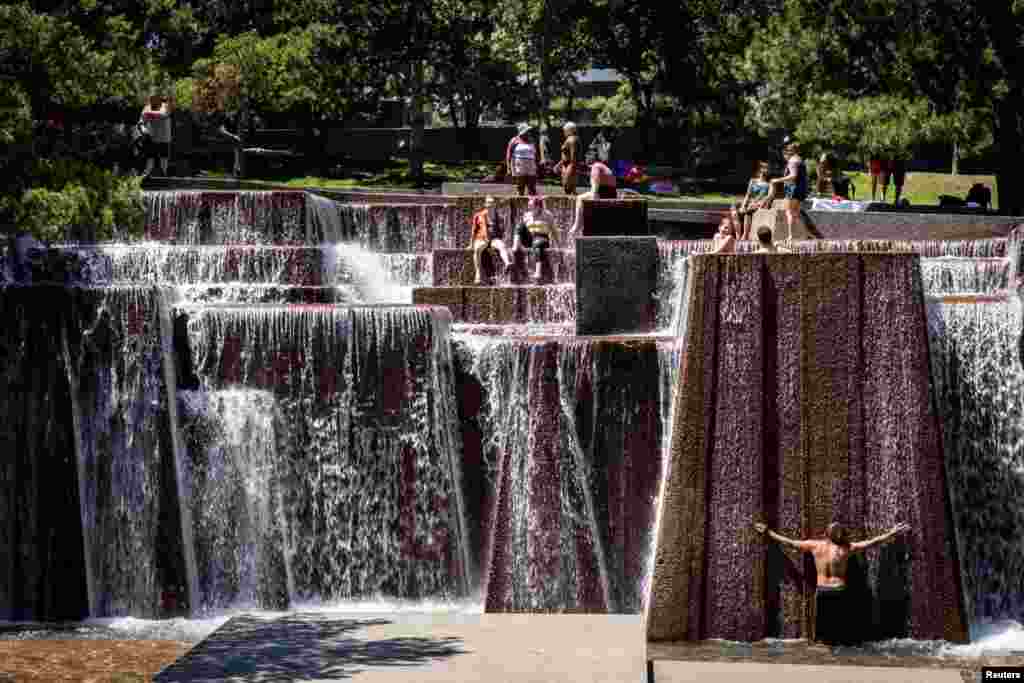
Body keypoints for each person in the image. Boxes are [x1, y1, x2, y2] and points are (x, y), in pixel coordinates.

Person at [753, 520, 911, 645]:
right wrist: (892, 533)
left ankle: (823, 650)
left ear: (826, 534)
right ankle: (836, 650)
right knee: (837, 628)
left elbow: (790, 542)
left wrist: (768, 532)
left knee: (823, 628)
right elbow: (872, 542)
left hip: (823, 591)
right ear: (838, 534)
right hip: (838, 590)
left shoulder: (816, 546)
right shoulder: (847, 548)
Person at [769, 138, 808, 242]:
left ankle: (791, 236)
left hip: (793, 189)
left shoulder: (792, 161)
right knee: (796, 213)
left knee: (789, 212)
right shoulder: (800, 160)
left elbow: (793, 175)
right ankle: (802, 234)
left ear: (790, 151)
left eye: (787, 151)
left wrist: (777, 180)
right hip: (802, 189)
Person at [468, 196, 513, 284]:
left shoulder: (498, 216)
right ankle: (478, 273)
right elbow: (474, 230)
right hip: (482, 238)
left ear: (494, 205)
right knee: (477, 249)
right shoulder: (478, 215)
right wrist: (471, 244)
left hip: (494, 239)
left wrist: (502, 239)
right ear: (485, 204)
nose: (490, 204)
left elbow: (502, 230)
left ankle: (507, 263)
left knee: (502, 246)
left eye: (492, 203)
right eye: (488, 202)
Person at [515, 196, 560, 281]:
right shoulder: (526, 215)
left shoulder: (547, 215)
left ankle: (538, 272)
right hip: (529, 238)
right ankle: (516, 246)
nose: (529, 207)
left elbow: (554, 230)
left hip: (542, 238)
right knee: (519, 226)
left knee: (538, 244)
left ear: (538, 206)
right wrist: (519, 243)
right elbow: (521, 230)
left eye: (531, 206)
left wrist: (558, 245)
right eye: (528, 205)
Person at [569, 161, 618, 234]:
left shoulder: (595, 167)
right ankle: (580, 225)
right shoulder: (602, 166)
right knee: (584, 197)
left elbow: (594, 191)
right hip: (610, 193)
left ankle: (577, 225)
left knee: (580, 198)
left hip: (605, 193)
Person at [139, 91, 174, 176]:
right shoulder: (147, 108)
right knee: (150, 158)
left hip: (164, 138)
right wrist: (143, 129)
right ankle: (146, 174)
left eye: (154, 99)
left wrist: (149, 114)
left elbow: (164, 114)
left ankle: (164, 175)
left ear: (159, 99)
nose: (152, 101)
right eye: (151, 99)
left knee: (164, 158)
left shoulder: (165, 106)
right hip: (152, 137)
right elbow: (141, 122)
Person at [739, 161, 774, 239]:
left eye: (767, 168)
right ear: (759, 169)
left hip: (762, 204)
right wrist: (743, 205)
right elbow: (748, 195)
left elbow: (770, 195)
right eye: (763, 168)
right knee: (743, 210)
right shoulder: (753, 181)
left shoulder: (769, 183)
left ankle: (745, 235)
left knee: (749, 211)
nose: (765, 170)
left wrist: (760, 202)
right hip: (752, 204)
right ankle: (744, 234)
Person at [506, 123, 539, 196]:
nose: (529, 132)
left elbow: (535, 154)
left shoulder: (532, 140)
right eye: (527, 131)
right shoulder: (514, 140)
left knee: (532, 186)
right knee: (520, 186)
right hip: (519, 165)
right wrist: (509, 168)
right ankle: (520, 201)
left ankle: (533, 201)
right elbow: (509, 155)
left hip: (531, 165)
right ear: (523, 132)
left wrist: (537, 165)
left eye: (529, 131)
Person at [557, 122, 580, 195]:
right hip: (566, 165)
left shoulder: (572, 140)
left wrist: (571, 168)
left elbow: (573, 155)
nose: (564, 132)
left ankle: (575, 200)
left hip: (570, 165)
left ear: (570, 130)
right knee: (567, 187)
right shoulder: (569, 139)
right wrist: (559, 164)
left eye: (564, 130)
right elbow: (566, 154)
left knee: (568, 186)